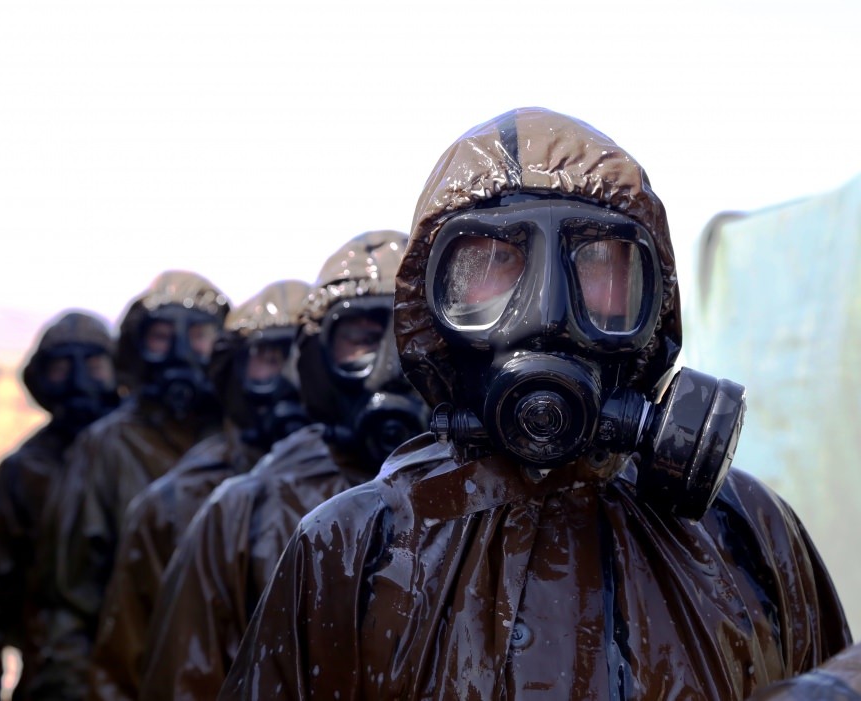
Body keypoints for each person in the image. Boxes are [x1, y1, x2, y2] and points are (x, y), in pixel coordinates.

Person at [219, 108, 852, 700]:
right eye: (495, 262)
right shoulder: (353, 547)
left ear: (650, 301)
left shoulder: (747, 530)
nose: (547, 313)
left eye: (600, 261)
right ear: (430, 309)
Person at [138, 230, 430, 700]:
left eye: (410, 338)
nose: (390, 369)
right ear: (315, 362)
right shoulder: (242, 510)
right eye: (361, 341)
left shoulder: (493, 503)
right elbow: (185, 679)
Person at [85, 279, 310, 701]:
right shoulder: (175, 501)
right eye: (265, 358)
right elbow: (124, 658)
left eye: (299, 358)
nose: (288, 380)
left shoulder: (377, 488)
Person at [38, 271, 229, 700]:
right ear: (136, 347)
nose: (181, 353)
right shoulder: (104, 447)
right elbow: (68, 597)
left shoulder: (242, 440)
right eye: (161, 337)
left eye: (198, 335)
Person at [0, 311, 119, 701]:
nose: (78, 382)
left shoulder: (143, 460)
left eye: (93, 365)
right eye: (61, 368)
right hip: (55, 673)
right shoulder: (23, 471)